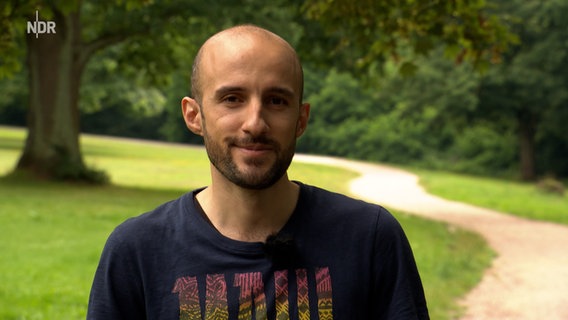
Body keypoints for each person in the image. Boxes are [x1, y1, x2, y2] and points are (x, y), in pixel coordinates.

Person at [87, 24, 429, 319]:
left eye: (277, 100)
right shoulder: (138, 251)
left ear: (301, 118)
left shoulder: (368, 238)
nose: (255, 123)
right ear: (194, 115)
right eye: (232, 98)